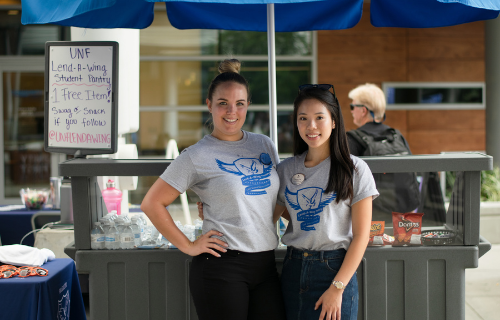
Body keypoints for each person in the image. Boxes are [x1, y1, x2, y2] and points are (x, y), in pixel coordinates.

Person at [141, 59, 286, 320]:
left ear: (248, 106)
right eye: (223, 103)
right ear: (209, 105)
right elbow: (151, 203)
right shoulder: (196, 156)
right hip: (221, 266)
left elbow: (276, 197)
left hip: (265, 264)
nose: (232, 111)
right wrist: (187, 245)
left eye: (239, 104)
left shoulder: (264, 145)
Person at [274, 84, 379, 320]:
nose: (311, 126)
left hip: (334, 269)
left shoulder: (355, 169)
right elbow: (272, 212)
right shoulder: (286, 169)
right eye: (303, 118)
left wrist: (337, 287)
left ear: (334, 121)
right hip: (294, 267)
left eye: (319, 117)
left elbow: (362, 236)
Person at [346, 83, 421, 223]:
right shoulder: (397, 136)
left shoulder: (352, 139)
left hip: (371, 220)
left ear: (363, 111)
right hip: (402, 218)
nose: (351, 111)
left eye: (352, 106)